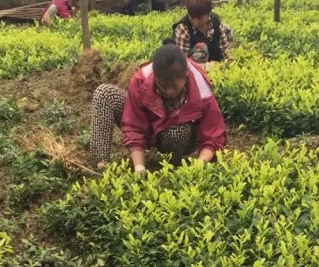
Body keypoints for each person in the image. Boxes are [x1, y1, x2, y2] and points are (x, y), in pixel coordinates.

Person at [90, 41, 226, 172]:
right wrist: (139, 167)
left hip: (180, 135)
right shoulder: (141, 80)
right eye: (164, 86)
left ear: (186, 73)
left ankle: (173, 165)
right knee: (104, 93)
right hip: (150, 129)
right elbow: (134, 125)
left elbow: (213, 133)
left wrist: (200, 163)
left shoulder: (200, 85)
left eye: (174, 86)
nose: (169, 92)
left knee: (178, 131)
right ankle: (101, 165)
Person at [172, 0, 232, 64]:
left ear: (209, 13)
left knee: (228, 29)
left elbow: (226, 53)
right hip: (194, 70)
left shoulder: (216, 24)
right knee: (202, 48)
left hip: (217, 68)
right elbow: (182, 63)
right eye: (192, 17)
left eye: (200, 18)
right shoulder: (183, 29)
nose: (195, 22)